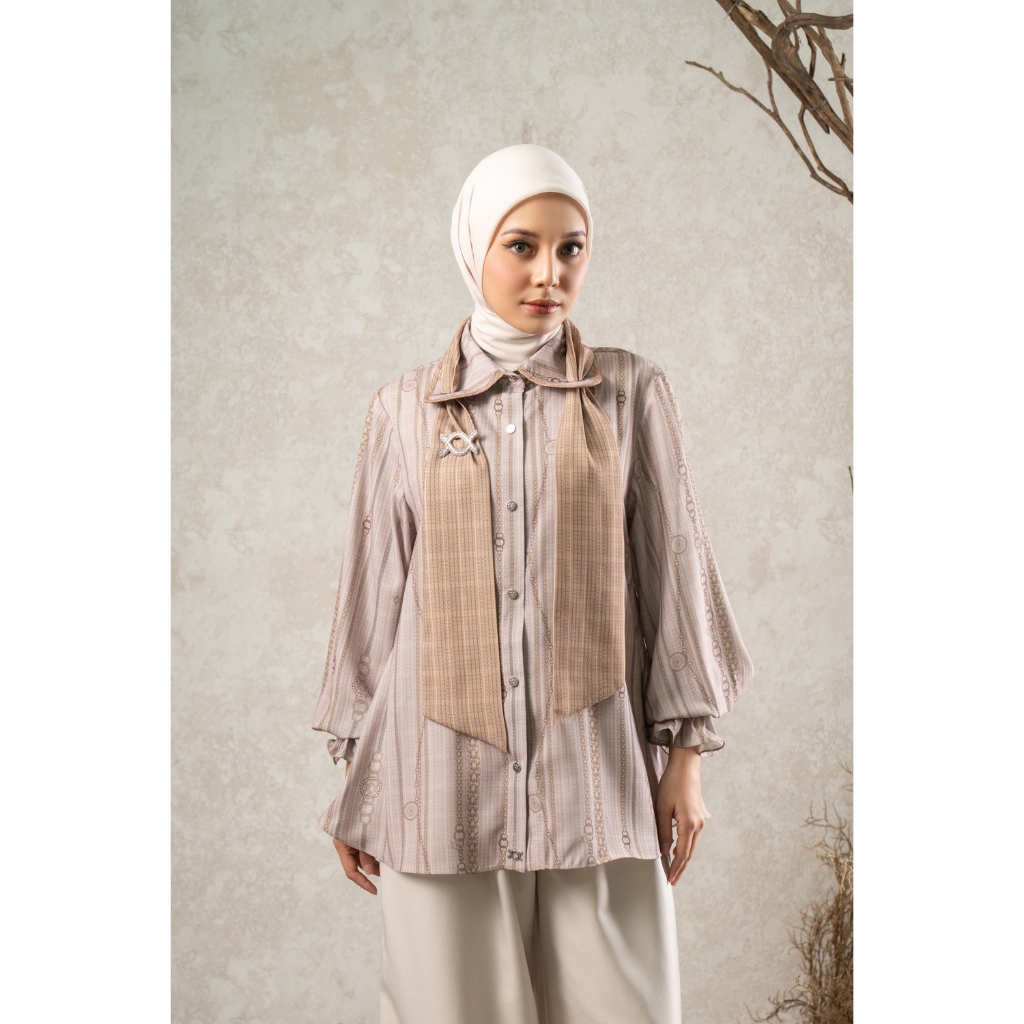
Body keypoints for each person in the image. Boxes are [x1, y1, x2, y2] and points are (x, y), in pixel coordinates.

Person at [312, 144, 753, 1024]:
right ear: (474, 245)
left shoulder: (630, 392)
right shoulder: (402, 409)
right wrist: (360, 786)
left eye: (571, 248)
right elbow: (373, 602)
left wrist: (686, 761)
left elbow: (674, 574)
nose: (550, 273)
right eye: (522, 246)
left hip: (595, 775)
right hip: (436, 787)